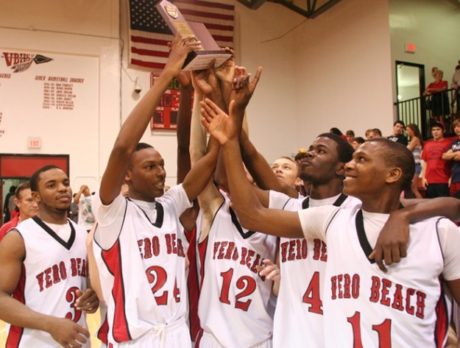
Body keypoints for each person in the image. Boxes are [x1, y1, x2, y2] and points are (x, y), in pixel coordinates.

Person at [201, 100, 460, 346]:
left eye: (361, 160)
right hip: (292, 335)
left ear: (392, 174)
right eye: (352, 158)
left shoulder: (435, 231)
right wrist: (230, 137)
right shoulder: (329, 219)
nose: (350, 166)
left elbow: (452, 206)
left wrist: (403, 215)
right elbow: (250, 211)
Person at [91, 36, 218, 347]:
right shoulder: (112, 212)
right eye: (150, 167)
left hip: (176, 334)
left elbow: (203, 159)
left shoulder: (169, 205)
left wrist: (203, 95)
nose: (161, 172)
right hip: (135, 340)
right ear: (128, 175)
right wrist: (166, 75)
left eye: (161, 165)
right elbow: (123, 147)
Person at [0, 165, 99, 347]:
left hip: (78, 341)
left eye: (66, 183)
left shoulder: (83, 234)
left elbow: (88, 286)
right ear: (36, 197)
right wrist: (49, 324)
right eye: (52, 185)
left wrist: (92, 298)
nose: (62, 188)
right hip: (32, 342)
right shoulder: (18, 237)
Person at [421, 122, 453, 198]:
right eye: (433, 130)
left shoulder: (449, 143)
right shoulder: (427, 144)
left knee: (443, 206)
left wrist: (451, 177)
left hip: (444, 180)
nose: (435, 132)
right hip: (429, 181)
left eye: (438, 129)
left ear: (443, 131)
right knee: (431, 206)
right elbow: (425, 162)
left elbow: (453, 162)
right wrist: (423, 178)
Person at [442, 118, 460, 197]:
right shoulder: (454, 143)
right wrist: (456, 153)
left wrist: (452, 154)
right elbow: (444, 156)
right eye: (455, 127)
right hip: (454, 178)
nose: (456, 129)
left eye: (459, 126)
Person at [406, 123, 424, 198]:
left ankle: (422, 204)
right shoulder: (412, 140)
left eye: (407, 130)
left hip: (415, 165)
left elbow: (407, 150)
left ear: (412, 130)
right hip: (411, 165)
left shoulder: (415, 139)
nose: (406, 132)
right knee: (411, 187)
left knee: (413, 187)